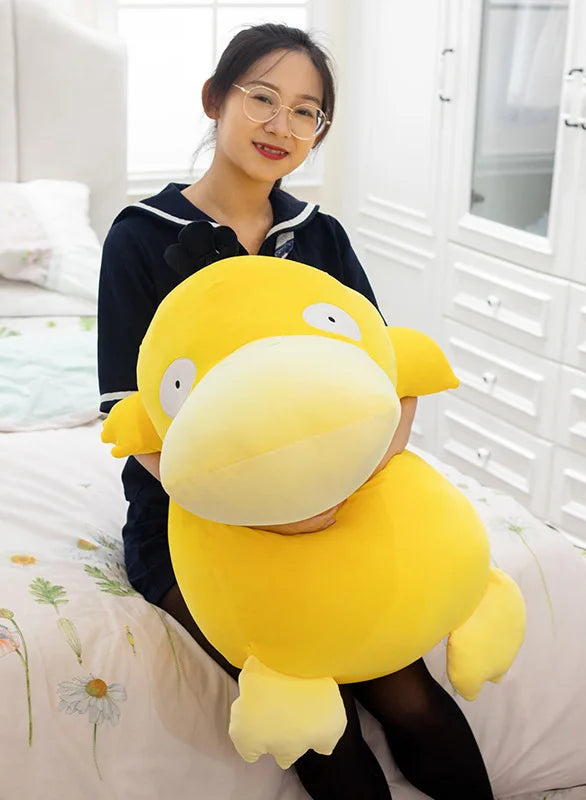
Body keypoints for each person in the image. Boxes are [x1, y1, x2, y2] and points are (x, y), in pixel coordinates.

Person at [97, 22, 494, 800]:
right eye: (262, 98)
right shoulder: (141, 238)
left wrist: (343, 492)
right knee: (319, 715)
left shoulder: (320, 237)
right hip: (201, 526)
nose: (281, 125)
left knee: (410, 694)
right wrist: (264, 511)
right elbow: (132, 420)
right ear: (215, 100)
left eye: (306, 112)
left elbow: (389, 382)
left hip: (334, 513)